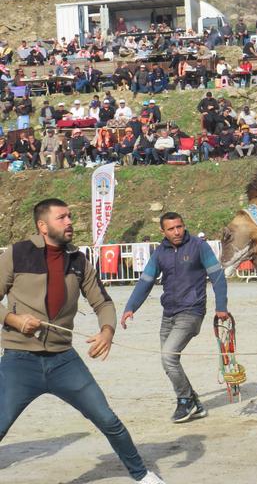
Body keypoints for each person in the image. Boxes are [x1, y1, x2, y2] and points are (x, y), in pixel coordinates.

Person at [0, 199, 165, 484]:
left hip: (64, 361)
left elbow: (103, 302)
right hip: (19, 361)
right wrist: (12, 320)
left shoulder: (78, 260)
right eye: (62, 217)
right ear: (43, 226)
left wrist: (107, 331)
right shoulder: (16, 254)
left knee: (107, 420)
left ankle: (142, 476)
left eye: (70, 217)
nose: (69, 222)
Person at [121, 212, 229, 423]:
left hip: (192, 311)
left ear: (184, 225)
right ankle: (194, 402)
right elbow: (146, 281)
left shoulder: (199, 246)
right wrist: (130, 307)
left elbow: (217, 276)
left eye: (179, 226)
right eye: (171, 229)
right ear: (163, 231)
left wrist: (221, 307)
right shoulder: (160, 253)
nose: (177, 231)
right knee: (169, 360)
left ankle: (184, 401)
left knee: (168, 357)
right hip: (168, 313)